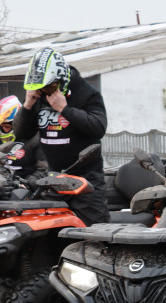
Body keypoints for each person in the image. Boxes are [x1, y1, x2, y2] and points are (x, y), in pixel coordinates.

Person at [14, 48, 109, 225]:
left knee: (95, 233)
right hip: (53, 179)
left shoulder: (87, 93)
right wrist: (27, 105)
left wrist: (64, 109)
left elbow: (98, 127)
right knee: (47, 233)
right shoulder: (39, 96)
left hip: (86, 180)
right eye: (40, 88)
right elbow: (21, 134)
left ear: (62, 79)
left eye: (50, 86)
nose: (45, 91)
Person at [0, 95, 45, 180]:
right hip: (6, 182)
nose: (5, 129)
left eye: (7, 126)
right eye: (2, 126)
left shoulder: (35, 139)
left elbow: (43, 169)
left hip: (26, 186)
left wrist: (29, 182)